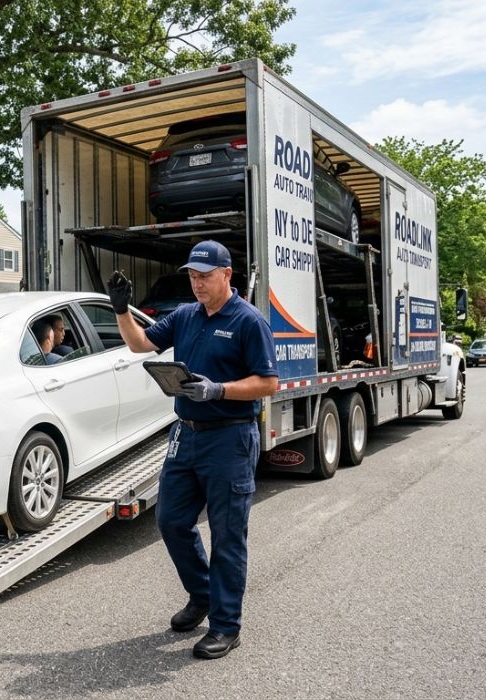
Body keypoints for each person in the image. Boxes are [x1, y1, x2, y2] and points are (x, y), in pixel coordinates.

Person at [107, 240, 278, 660]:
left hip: (230, 437)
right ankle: (202, 594)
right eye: (192, 276)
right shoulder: (185, 316)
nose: (197, 283)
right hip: (186, 434)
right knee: (170, 521)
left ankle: (225, 626)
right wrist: (120, 309)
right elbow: (139, 345)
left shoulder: (248, 321)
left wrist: (218, 389)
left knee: (227, 535)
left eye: (204, 276)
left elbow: (268, 383)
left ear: (226, 275)